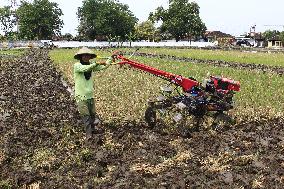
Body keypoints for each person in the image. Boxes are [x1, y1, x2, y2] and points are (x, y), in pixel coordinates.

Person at [73, 47, 113, 139]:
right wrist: (96, 63)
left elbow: (105, 66)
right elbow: (85, 69)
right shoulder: (77, 66)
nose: (86, 57)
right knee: (86, 116)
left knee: (92, 115)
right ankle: (88, 135)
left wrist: (110, 58)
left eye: (88, 55)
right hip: (81, 96)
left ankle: (93, 130)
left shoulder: (91, 65)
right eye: (84, 55)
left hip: (90, 95)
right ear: (80, 56)